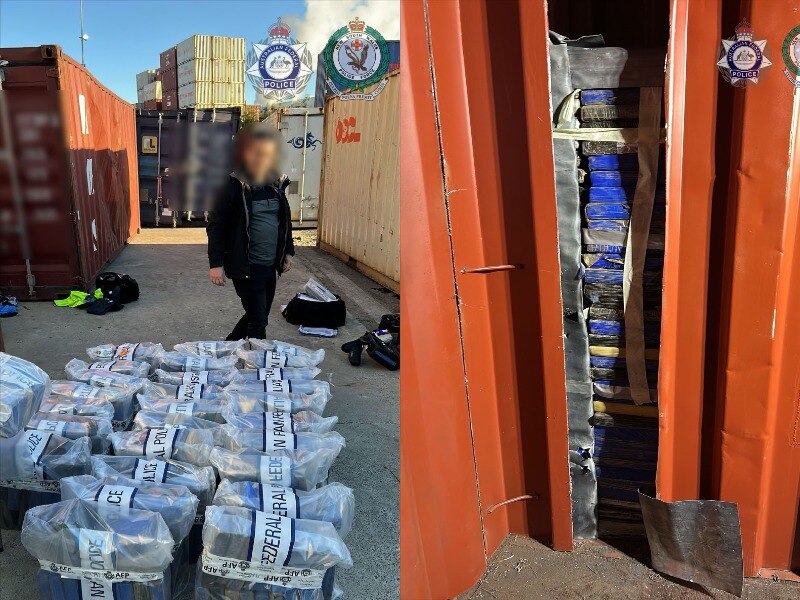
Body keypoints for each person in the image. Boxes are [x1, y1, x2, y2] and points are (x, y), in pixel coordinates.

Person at [207, 123, 295, 340]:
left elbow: (284, 221)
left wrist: (288, 251)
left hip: (269, 265)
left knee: (259, 314)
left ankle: (229, 345)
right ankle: (258, 365)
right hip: (246, 265)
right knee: (258, 321)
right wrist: (215, 264)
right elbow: (216, 226)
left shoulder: (277, 184)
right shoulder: (232, 186)